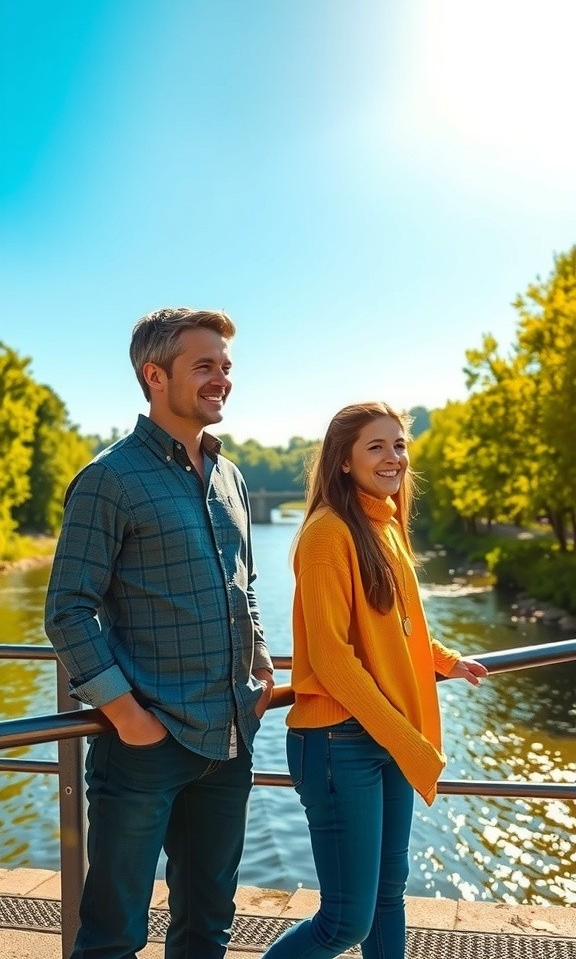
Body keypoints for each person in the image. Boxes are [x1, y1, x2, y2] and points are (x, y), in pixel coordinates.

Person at [45, 307, 274, 959]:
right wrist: (125, 713)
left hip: (229, 740)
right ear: (154, 375)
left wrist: (259, 657)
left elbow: (243, 582)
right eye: (205, 366)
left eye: (226, 367)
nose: (222, 380)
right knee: (114, 936)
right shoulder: (108, 479)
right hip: (145, 746)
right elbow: (68, 609)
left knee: (208, 925)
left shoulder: (231, 476)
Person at [262, 401, 488, 959]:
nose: (394, 458)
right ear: (343, 460)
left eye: (400, 445)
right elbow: (333, 659)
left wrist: (442, 660)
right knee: (344, 923)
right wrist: (402, 734)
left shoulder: (383, 522)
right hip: (341, 744)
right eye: (377, 446)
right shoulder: (325, 535)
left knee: (390, 896)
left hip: (382, 738)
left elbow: (397, 624)